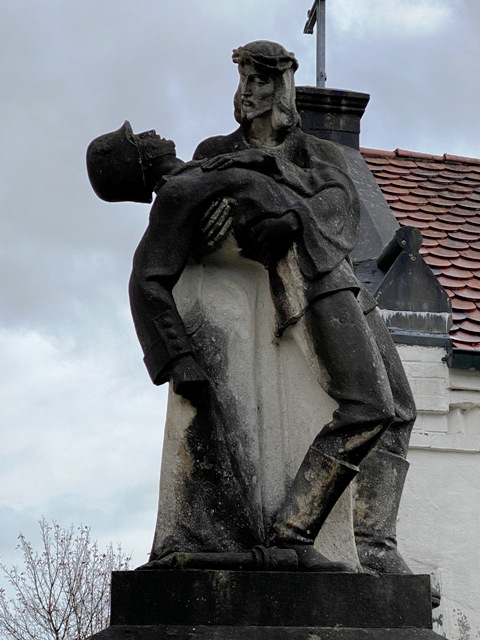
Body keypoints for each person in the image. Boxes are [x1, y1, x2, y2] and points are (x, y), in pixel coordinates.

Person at [86, 41, 417, 578]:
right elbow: (156, 268)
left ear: (284, 86)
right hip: (295, 287)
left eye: (262, 79)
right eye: (246, 79)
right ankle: (302, 534)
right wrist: (179, 356)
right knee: (371, 405)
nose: (250, 90)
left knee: (397, 406)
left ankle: (371, 539)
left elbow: (338, 204)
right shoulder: (202, 165)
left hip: (336, 277)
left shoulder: (304, 154)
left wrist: (285, 214)